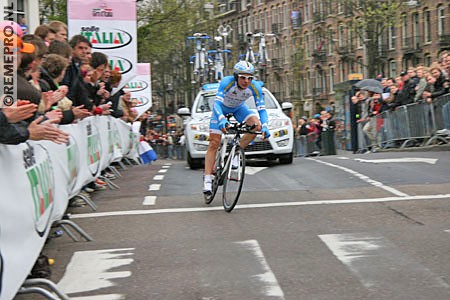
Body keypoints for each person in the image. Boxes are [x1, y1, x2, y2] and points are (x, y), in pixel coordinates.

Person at [203, 61, 270, 195]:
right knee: (214, 143)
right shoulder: (227, 82)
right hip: (221, 109)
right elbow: (216, 104)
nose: (246, 81)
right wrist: (221, 118)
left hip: (239, 109)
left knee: (256, 126)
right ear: (236, 76)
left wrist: (265, 126)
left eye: (250, 78)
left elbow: (261, 110)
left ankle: (235, 154)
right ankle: (207, 179)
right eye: (243, 77)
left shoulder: (255, 87)